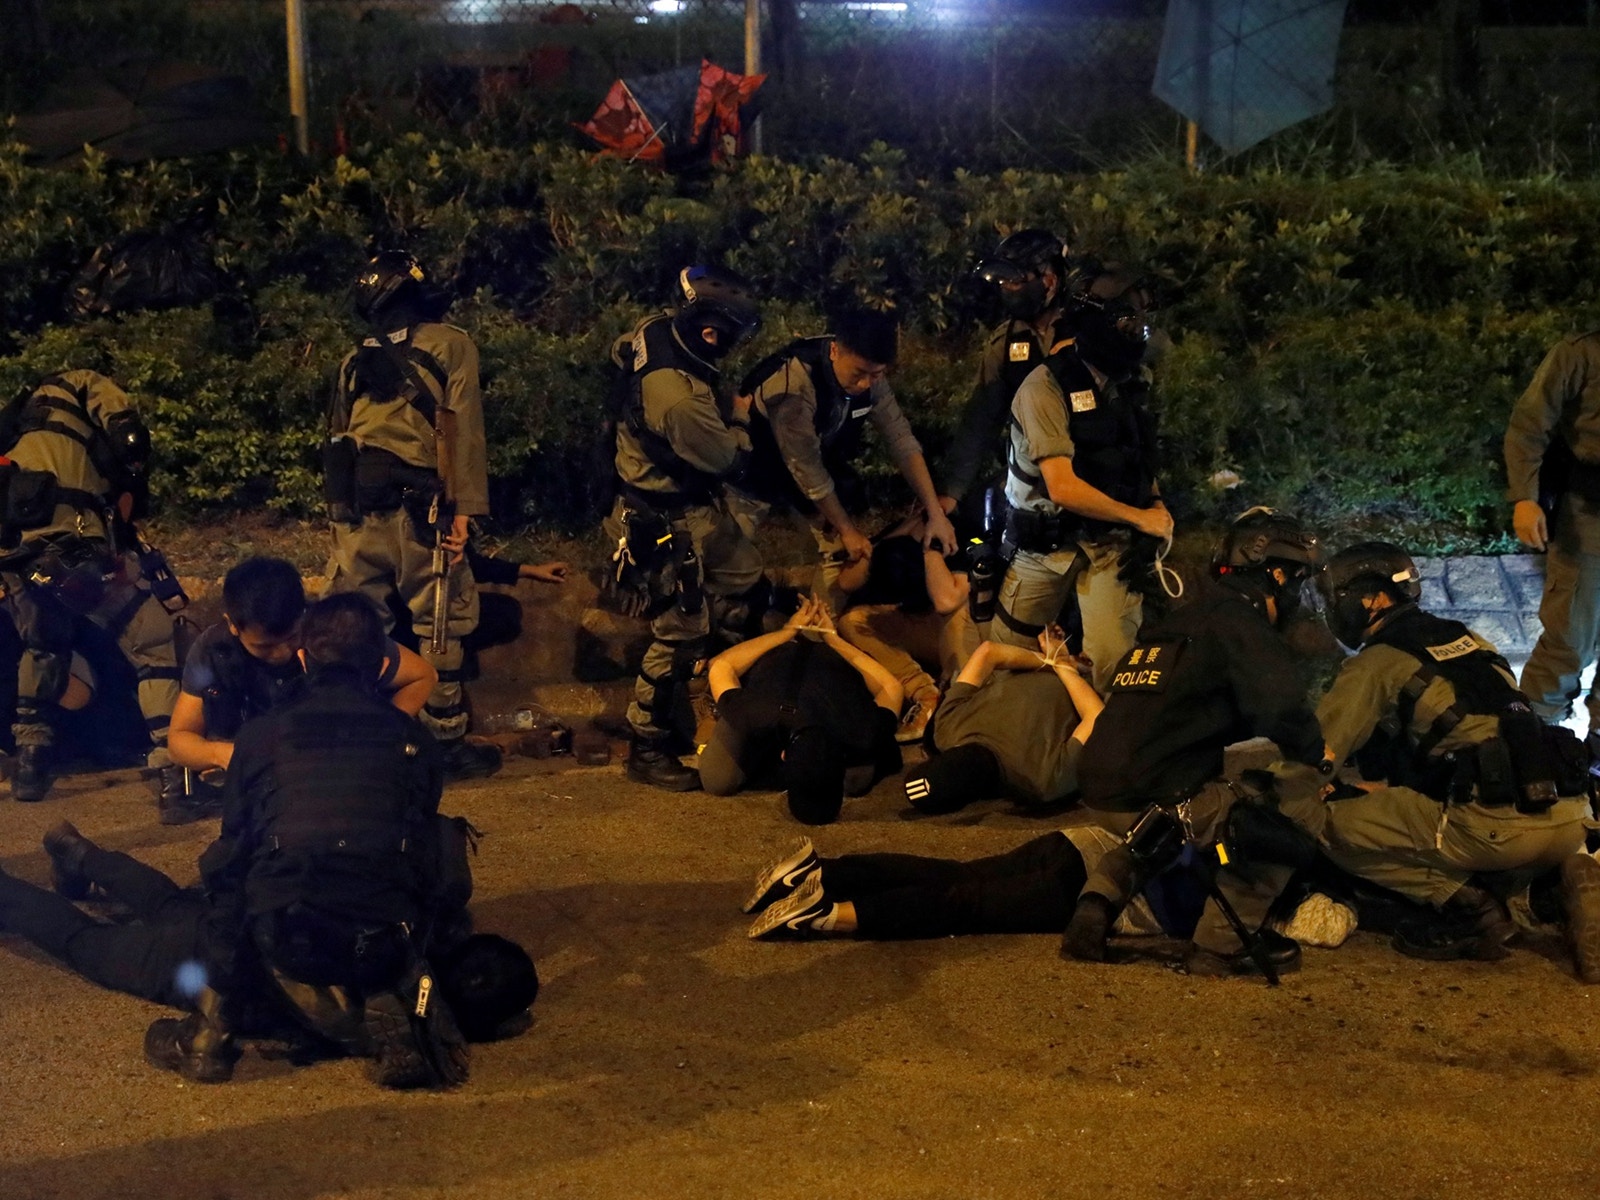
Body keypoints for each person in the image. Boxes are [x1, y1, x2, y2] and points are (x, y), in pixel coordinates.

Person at [188, 593, 474, 1087]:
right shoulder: (413, 739)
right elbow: (419, 846)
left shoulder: (260, 735)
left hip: (287, 938)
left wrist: (224, 968)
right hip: (385, 938)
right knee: (441, 840)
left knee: (232, 863)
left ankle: (211, 1035)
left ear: (303, 657)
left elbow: (234, 854)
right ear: (381, 665)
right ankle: (400, 984)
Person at [0, 821, 537, 1083]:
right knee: (84, 943)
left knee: (169, 904)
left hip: (234, 923)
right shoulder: (393, 1017)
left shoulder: (412, 934)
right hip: (204, 968)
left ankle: (80, 852)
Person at [1060, 508, 1328, 978]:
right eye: (1296, 579)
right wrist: (1315, 757)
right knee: (1284, 816)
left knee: (1165, 826)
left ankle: (1096, 904)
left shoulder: (1182, 619)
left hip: (1100, 783)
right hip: (1157, 790)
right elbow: (1282, 709)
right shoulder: (1241, 623)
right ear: (1277, 575)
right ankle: (1221, 947)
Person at [1309, 541, 1600, 973]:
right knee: (1467, 821)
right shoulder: (1468, 639)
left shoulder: (1375, 663)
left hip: (1491, 827)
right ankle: (1548, 896)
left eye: (1336, 597)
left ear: (1372, 599)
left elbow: (1316, 756)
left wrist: (1272, 789)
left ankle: (1471, 908)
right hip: (1569, 812)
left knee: (1319, 820)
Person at [322, 250, 501, 782]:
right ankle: (443, 742)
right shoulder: (450, 344)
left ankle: (362, 739)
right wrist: (465, 510)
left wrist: (338, 521)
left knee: (358, 624)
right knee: (441, 617)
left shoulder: (352, 360)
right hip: (420, 507)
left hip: (357, 510)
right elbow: (464, 429)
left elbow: (335, 439)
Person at [606, 264, 766, 791]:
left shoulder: (657, 329)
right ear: (710, 331)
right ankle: (647, 742)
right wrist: (739, 418)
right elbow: (728, 461)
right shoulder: (680, 399)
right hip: (666, 521)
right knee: (679, 633)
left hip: (683, 506)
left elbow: (618, 350)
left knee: (748, 580)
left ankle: (716, 690)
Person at [0, 371, 185, 811]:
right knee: (152, 638)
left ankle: (31, 762)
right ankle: (175, 773)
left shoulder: (17, 430)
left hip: (19, 564)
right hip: (71, 555)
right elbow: (129, 444)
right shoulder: (84, 388)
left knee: (42, 645)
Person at [988, 262, 1172, 690]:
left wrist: (1155, 505)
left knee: (1115, 664)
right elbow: (1063, 488)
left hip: (1107, 541)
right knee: (1007, 657)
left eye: (1140, 319)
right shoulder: (1043, 388)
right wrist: (1139, 518)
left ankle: (1104, 726)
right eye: (1128, 320)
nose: (1138, 330)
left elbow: (1135, 457)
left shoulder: (1128, 382)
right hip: (1045, 541)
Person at [738, 307, 957, 608]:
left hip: (814, 467)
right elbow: (806, 467)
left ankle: (821, 624)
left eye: (876, 374)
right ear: (834, 351)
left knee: (839, 554)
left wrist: (935, 513)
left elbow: (902, 440)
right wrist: (847, 529)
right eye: (859, 374)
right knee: (728, 557)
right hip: (753, 469)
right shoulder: (793, 384)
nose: (866, 384)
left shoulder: (871, 376)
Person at [169, 556, 436, 785]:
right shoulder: (214, 651)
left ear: (304, 613)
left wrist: (377, 732)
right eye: (264, 646)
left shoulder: (330, 632)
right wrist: (223, 754)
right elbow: (179, 740)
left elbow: (423, 676)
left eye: (292, 638)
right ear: (233, 625)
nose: (282, 653)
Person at [699, 595, 903, 825]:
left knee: (859, 778)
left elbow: (722, 666)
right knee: (717, 777)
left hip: (832, 668)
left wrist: (830, 638)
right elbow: (891, 687)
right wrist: (790, 634)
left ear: (783, 756)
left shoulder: (862, 728)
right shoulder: (756, 711)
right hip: (781, 660)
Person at [1504, 330, 1600, 738]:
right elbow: (1528, 426)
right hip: (1589, 517)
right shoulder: (1581, 353)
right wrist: (1525, 498)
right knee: (1568, 640)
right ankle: (1534, 742)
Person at [900, 625, 1102, 815]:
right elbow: (1097, 716)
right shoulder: (1040, 781)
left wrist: (1057, 661)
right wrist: (1061, 664)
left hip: (1045, 660)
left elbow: (988, 653)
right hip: (1094, 680)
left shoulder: (946, 728)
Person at [938, 230, 1071, 515]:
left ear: (1050, 281)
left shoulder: (1085, 334)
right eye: (1003, 283)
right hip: (1032, 480)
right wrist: (952, 493)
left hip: (1084, 476)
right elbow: (980, 420)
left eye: (1016, 281)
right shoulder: (1006, 342)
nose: (1008, 289)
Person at [834, 512, 979, 741]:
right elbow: (847, 582)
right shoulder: (908, 525)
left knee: (956, 613)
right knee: (853, 620)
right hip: (919, 623)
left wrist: (930, 545)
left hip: (964, 636)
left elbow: (947, 601)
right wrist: (891, 536)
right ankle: (926, 696)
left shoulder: (965, 528)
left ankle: (959, 706)